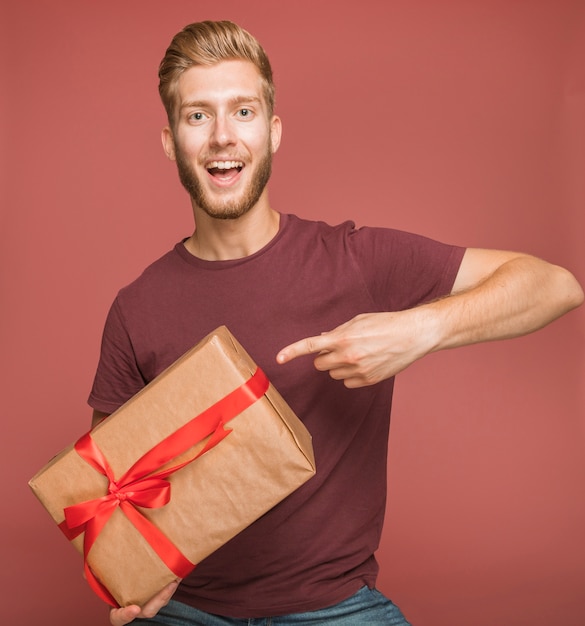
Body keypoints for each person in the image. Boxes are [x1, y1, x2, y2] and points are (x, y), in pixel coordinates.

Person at [87, 20, 583, 626]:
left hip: (338, 608)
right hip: (187, 611)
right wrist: (134, 581)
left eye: (242, 112)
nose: (222, 137)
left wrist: (415, 331)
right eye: (198, 116)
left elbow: (554, 285)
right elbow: (106, 495)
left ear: (272, 132)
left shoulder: (356, 261)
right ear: (170, 141)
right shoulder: (136, 307)